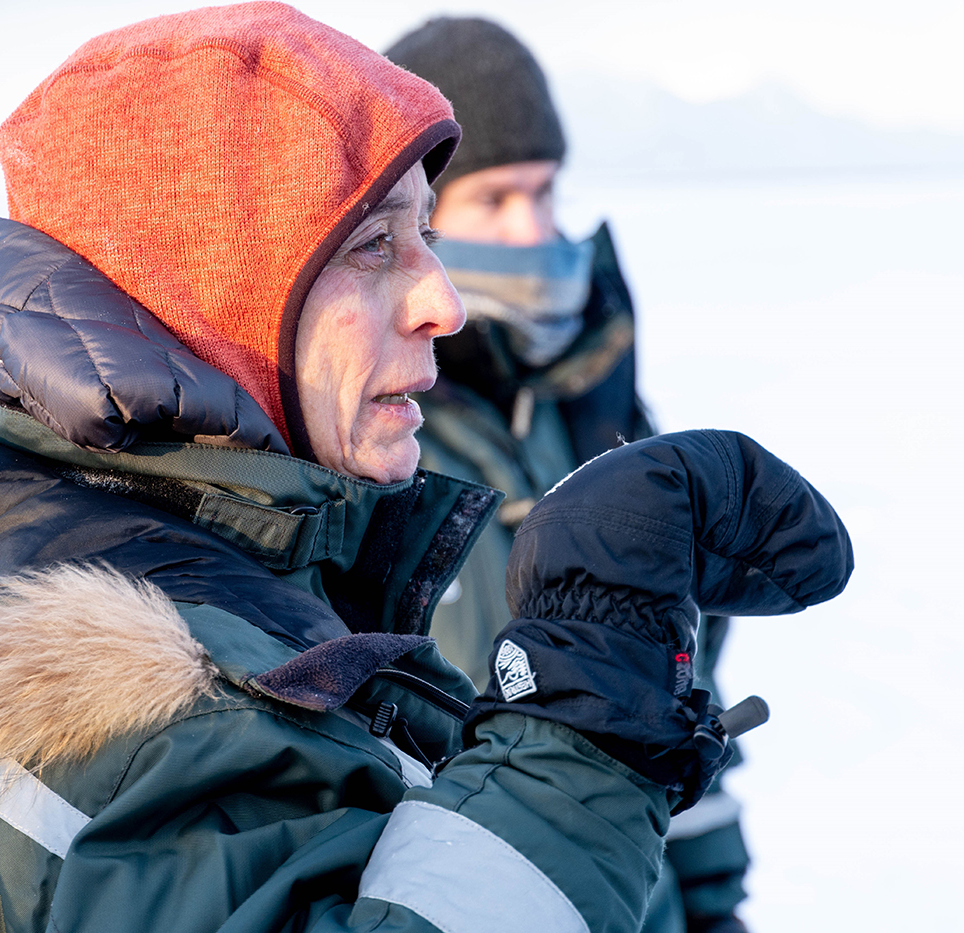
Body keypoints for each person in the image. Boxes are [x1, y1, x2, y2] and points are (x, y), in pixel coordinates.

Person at [0, 6, 851, 933]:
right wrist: (592, 691)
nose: (442, 299)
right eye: (377, 245)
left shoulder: (200, 584)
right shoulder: (118, 716)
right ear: (208, 294)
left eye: (431, 232)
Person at [386, 18, 755, 933]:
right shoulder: (378, 441)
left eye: (546, 193)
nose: (536, 231)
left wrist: (709, 900)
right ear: (412, 220)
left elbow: (679, 699)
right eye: (496, 199)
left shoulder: (600, 414)